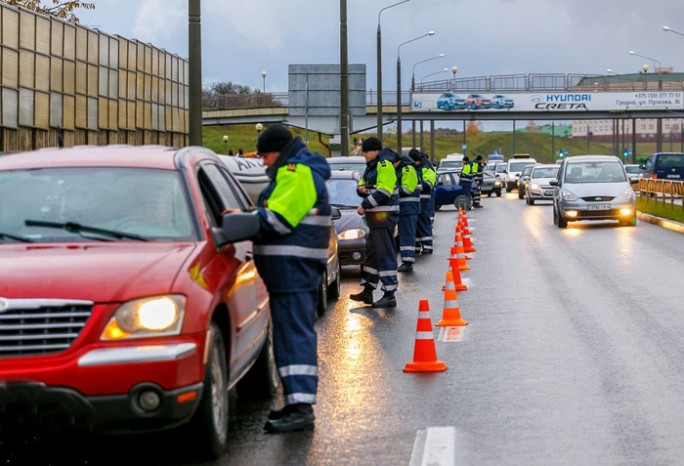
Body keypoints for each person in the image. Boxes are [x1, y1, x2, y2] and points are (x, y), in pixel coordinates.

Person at [224, 124, 331, 433]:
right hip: (289, 273)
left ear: (278, 152)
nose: (263, 162)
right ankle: (295, 404)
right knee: (287, 336)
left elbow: (278, 220)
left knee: (295, 336)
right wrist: (245, 214)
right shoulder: (291, 172)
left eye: (265, 155)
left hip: (294, 271)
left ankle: (301, 408)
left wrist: (240, 222)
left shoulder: (296, 172)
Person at [349, 137, 399, 308]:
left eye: (366, 151)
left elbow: (384, 192)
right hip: (375, 218)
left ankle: (389, 293)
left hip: (383, 217)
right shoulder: (370, 167)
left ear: (375, 151)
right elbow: (363, 186)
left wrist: (365, 204)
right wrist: (360, 190)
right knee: (372, 255)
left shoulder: (384, 166)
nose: (364, 155)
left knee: (385, 254)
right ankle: (368, 290)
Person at [395, 154, 420, 273]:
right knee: (405, 234)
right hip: (405, 208)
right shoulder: (404, 168)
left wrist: (394, 189)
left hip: (408, 207)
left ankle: (408, 262)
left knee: (407, 234)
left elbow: (408, 189)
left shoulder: (408, 169)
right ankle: (406, 260)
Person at [412, 149, 436, 254]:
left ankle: (427, 245)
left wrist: (413, 187)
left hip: (424, 200)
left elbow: (428, 184)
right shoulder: (415, 168)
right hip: (415, 201)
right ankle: (417, 246)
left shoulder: (427, 168)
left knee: (424, 223)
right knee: (415, 224)